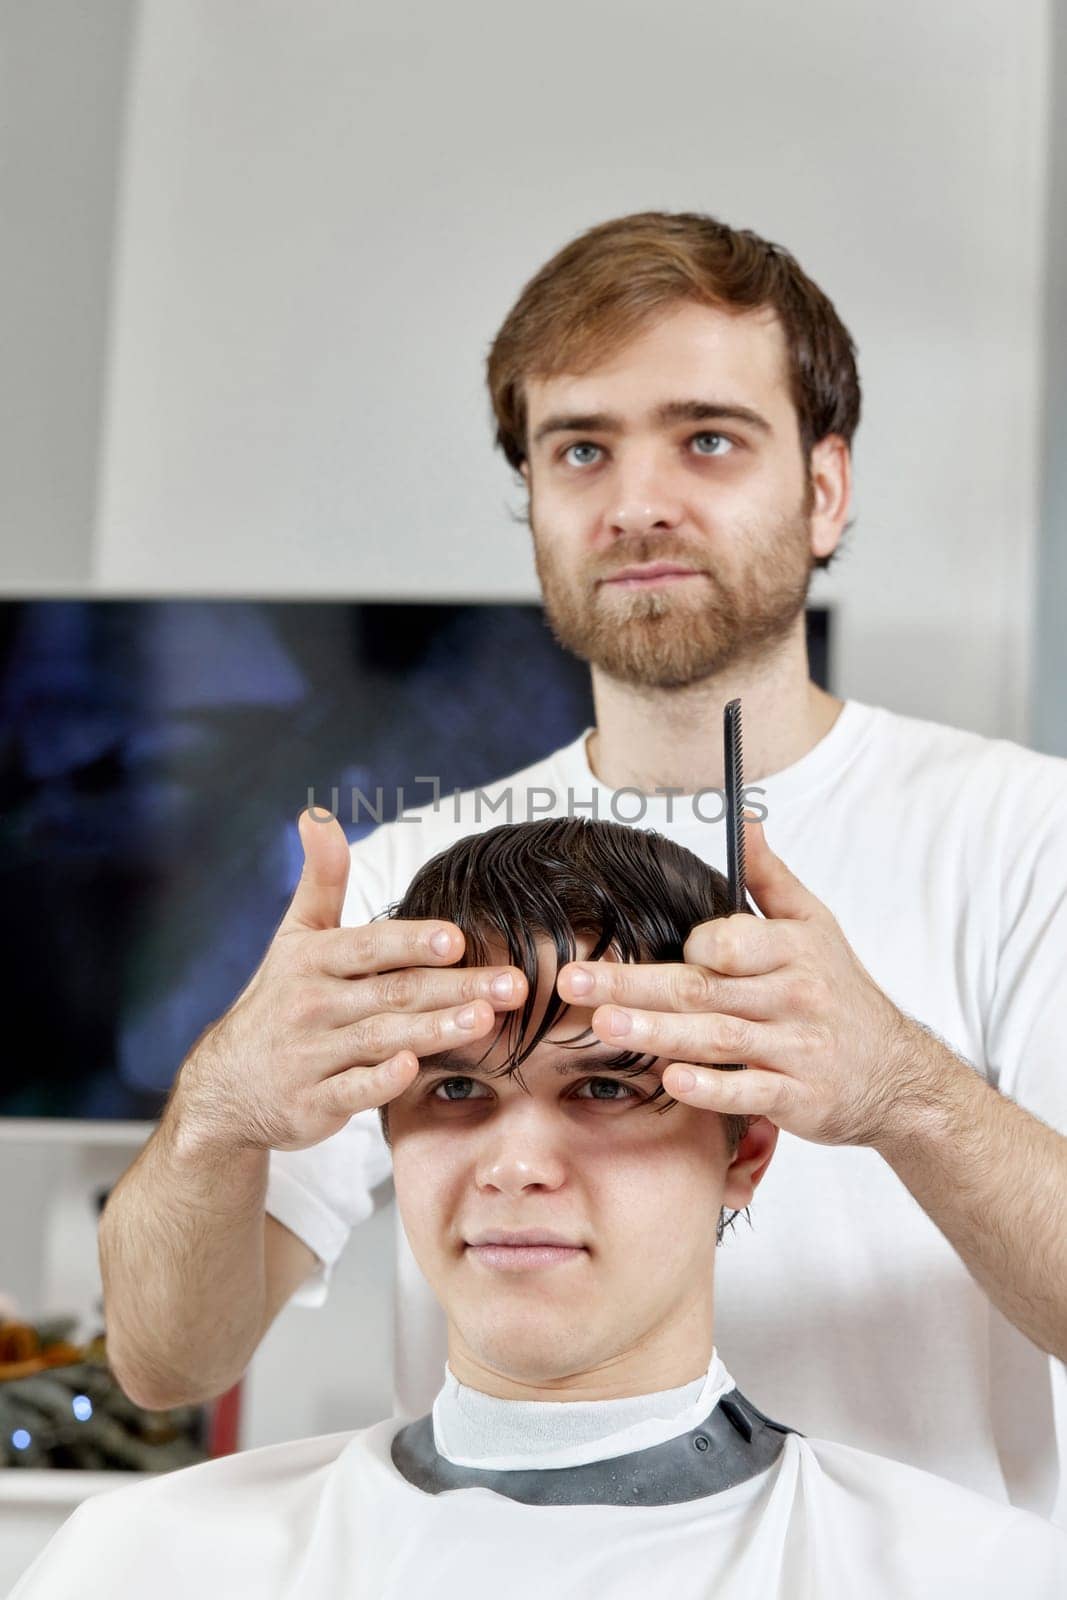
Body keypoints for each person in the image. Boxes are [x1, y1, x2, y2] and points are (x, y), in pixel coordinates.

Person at [98, 210, 1067, 1526]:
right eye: (579, 449)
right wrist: (220, 1105)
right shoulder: (408, 876)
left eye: (706, 439)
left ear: (823, 487)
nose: (636, 503)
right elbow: (167, 1360)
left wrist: (897, 1087)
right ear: (535, 499)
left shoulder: (1020, 838)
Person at [18, 820, 1067, 1599]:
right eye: (458, 1090)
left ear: (742, 1147)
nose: (515, 1165)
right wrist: (212, 1106)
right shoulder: (152, 1562)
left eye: (604, 1089)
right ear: (386, 1128)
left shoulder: (960, 1573)